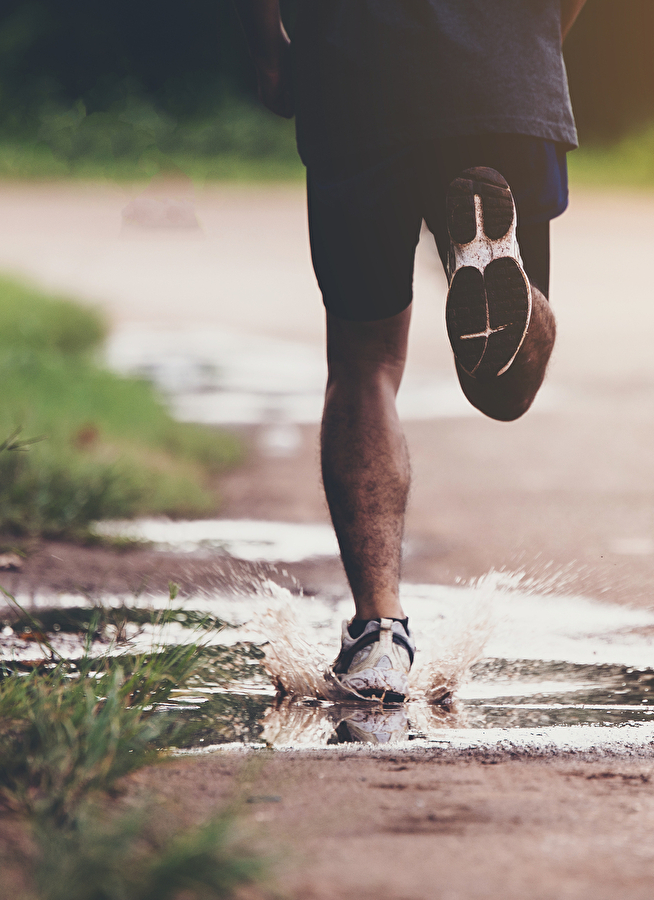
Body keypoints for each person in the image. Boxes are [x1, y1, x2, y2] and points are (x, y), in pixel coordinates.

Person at [234, 1, 585, 705]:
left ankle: (378, 634)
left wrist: (267, 44)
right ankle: (491, 253)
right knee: (503, 390)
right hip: (503, 65)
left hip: (353, 73)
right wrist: (535, 36)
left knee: (365, 362)